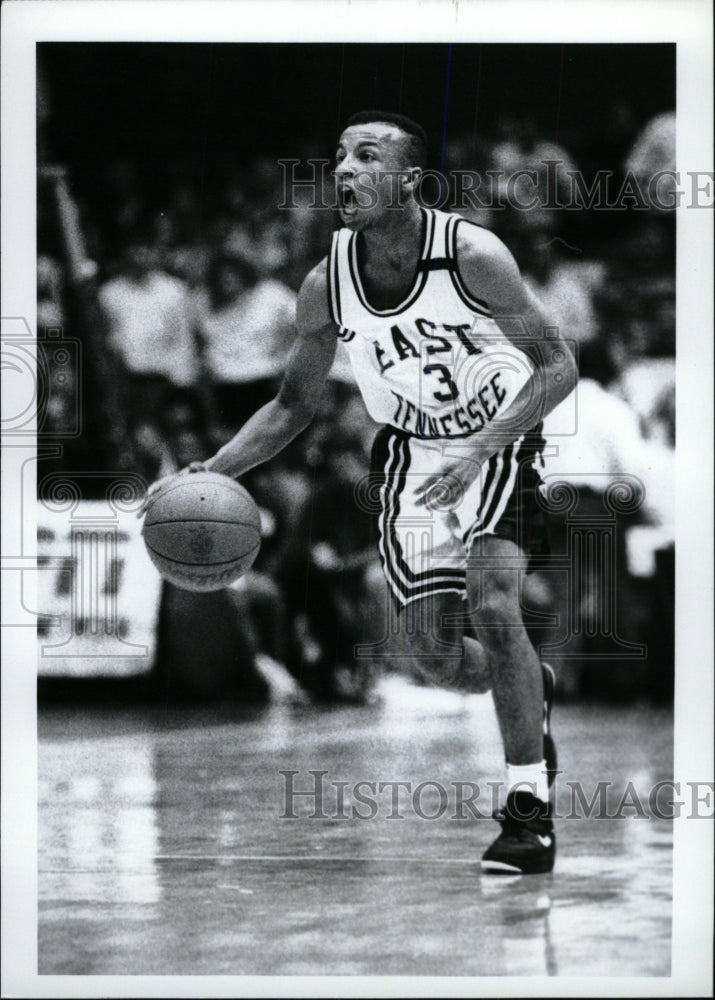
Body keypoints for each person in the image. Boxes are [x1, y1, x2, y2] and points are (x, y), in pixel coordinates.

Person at [141, 111, 578, 874]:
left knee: (496, 606)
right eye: (338, 156)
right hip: (410, 451)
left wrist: (479, 449)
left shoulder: (471, 255)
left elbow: (556, 367)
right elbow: (290, 406)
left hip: (499, 432)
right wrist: (209, 470)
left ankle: (525, 811)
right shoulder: (326, 282)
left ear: (409, 179)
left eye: (366, 156)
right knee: (435, 657)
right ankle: (526, 684)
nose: (344, 170)